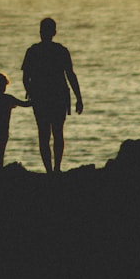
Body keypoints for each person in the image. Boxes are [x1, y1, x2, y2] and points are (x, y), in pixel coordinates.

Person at [21, 17, 83, 173]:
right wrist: (79, 98)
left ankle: (51, 169)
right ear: (54, 32)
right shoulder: (60, 51)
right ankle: (55, 169)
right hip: (56, 95)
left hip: (46, 96)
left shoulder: (33, 51)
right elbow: (70, 75)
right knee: (56, 133)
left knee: (45, 133)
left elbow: (25, 77)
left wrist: (31, 91)